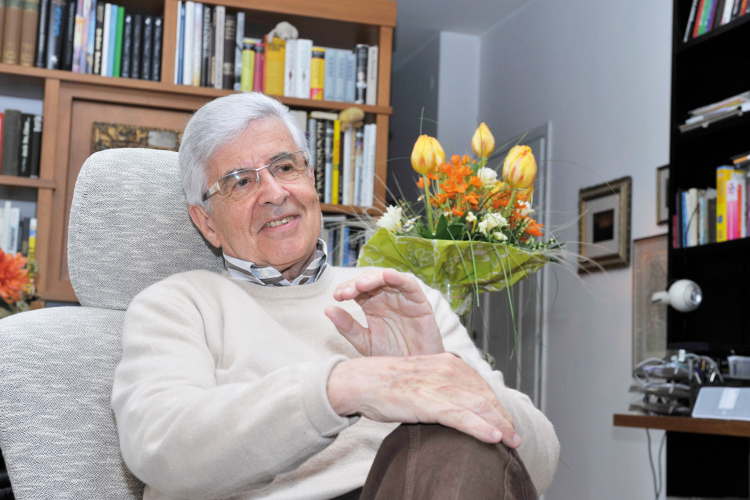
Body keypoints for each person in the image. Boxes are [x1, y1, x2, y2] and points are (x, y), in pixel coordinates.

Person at [111, 92, 560, 500]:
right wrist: (346, 387)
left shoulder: (397, 295)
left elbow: (536, 465)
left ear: (311, 180)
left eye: (285, 167)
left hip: (417, 487)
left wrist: (440, 367)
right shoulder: (176, 305)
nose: (274, 193)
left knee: (460, 441)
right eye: (240, 182)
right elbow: (159, 446)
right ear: (207, 222)